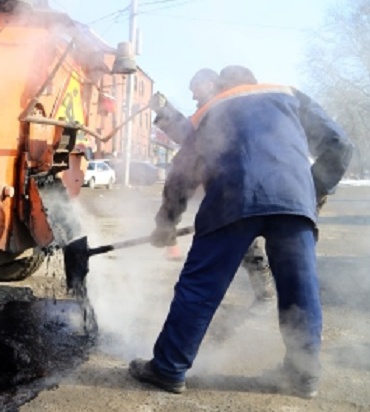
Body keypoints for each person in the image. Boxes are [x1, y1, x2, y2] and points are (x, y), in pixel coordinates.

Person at [130, 70, 353, 398]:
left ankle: (168, 369)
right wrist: (313, 188)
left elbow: (183, 172)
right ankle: (303, 377)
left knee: (200, 288)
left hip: (231, 200)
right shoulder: (289, 93)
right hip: (293, 201)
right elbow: (340, 145)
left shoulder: (213, 109)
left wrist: (166, 224)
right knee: (299, 289)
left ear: (221, 86)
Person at [150, 68, 276, 306]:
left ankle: (198, 307)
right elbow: (191, 134)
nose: (194, 97)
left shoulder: (219, 108)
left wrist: (165, 223)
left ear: (209, 84)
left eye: (195, 89)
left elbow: (189, 146)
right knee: (259, 239)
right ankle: (269, 296)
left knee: (216, 248)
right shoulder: (252, 105)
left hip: (235, 186)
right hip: (274, 186)